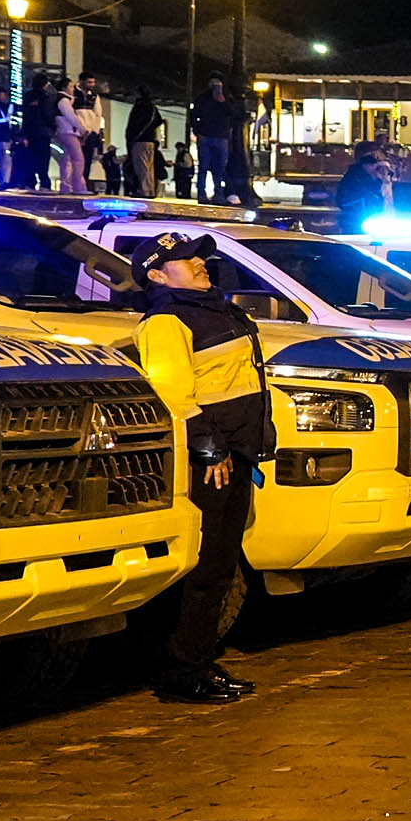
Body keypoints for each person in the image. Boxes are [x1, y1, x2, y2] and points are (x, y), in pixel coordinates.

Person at [130, 230, 272, 705]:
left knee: (220, 567)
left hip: (236, 453)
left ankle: (197, 660)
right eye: (185, 259)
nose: (198, 263)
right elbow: (173, 393)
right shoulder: (166, 321)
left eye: (197, 256)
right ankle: (182, 671)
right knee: (206, 568)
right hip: (212, 460)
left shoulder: (215, 309)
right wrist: (209, 447)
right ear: (156, 274)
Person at [191, 76, 235, 203]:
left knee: (214, 167)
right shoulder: (204, 98)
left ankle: (212, 193)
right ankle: (208, 193)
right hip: (213, 136)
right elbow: (195, 115)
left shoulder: (209, 98)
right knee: (212, 167)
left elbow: (230, 113)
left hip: (214, 136)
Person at [333, 143, 386, 234]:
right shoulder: (353, 178)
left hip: (372, 223)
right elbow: (343, 200)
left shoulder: (374, 178)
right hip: (357, 224)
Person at [19, 74, 58, 191]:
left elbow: (26, 116)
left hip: (31, 132)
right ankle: (44, 183)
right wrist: (53, 127)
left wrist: (24, 133)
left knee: (30, 157)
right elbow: (48, 114)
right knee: (43, 158)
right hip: (43, 132)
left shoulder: (28, 96)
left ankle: (30, 182)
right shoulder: (47, 97)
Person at [125, 88, 164, 196]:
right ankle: (149, 190)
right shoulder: (152, 108)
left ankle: (145, 190)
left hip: (140, 141)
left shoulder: (140, 107)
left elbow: (133, 125)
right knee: (148, 167)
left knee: (142, 167)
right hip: (150, 140)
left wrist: (132, 137)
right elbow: (158, 121)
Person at [52, 89, 88, 193]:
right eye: (71, 86)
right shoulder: (64, 100)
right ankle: (77, 186)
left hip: (63, 131)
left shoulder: (59, 99)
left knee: (67, 159)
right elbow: (71, 116)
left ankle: (66, 186)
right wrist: (82, 129)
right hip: (68, 132)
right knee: (78, 159)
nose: (73, 89)